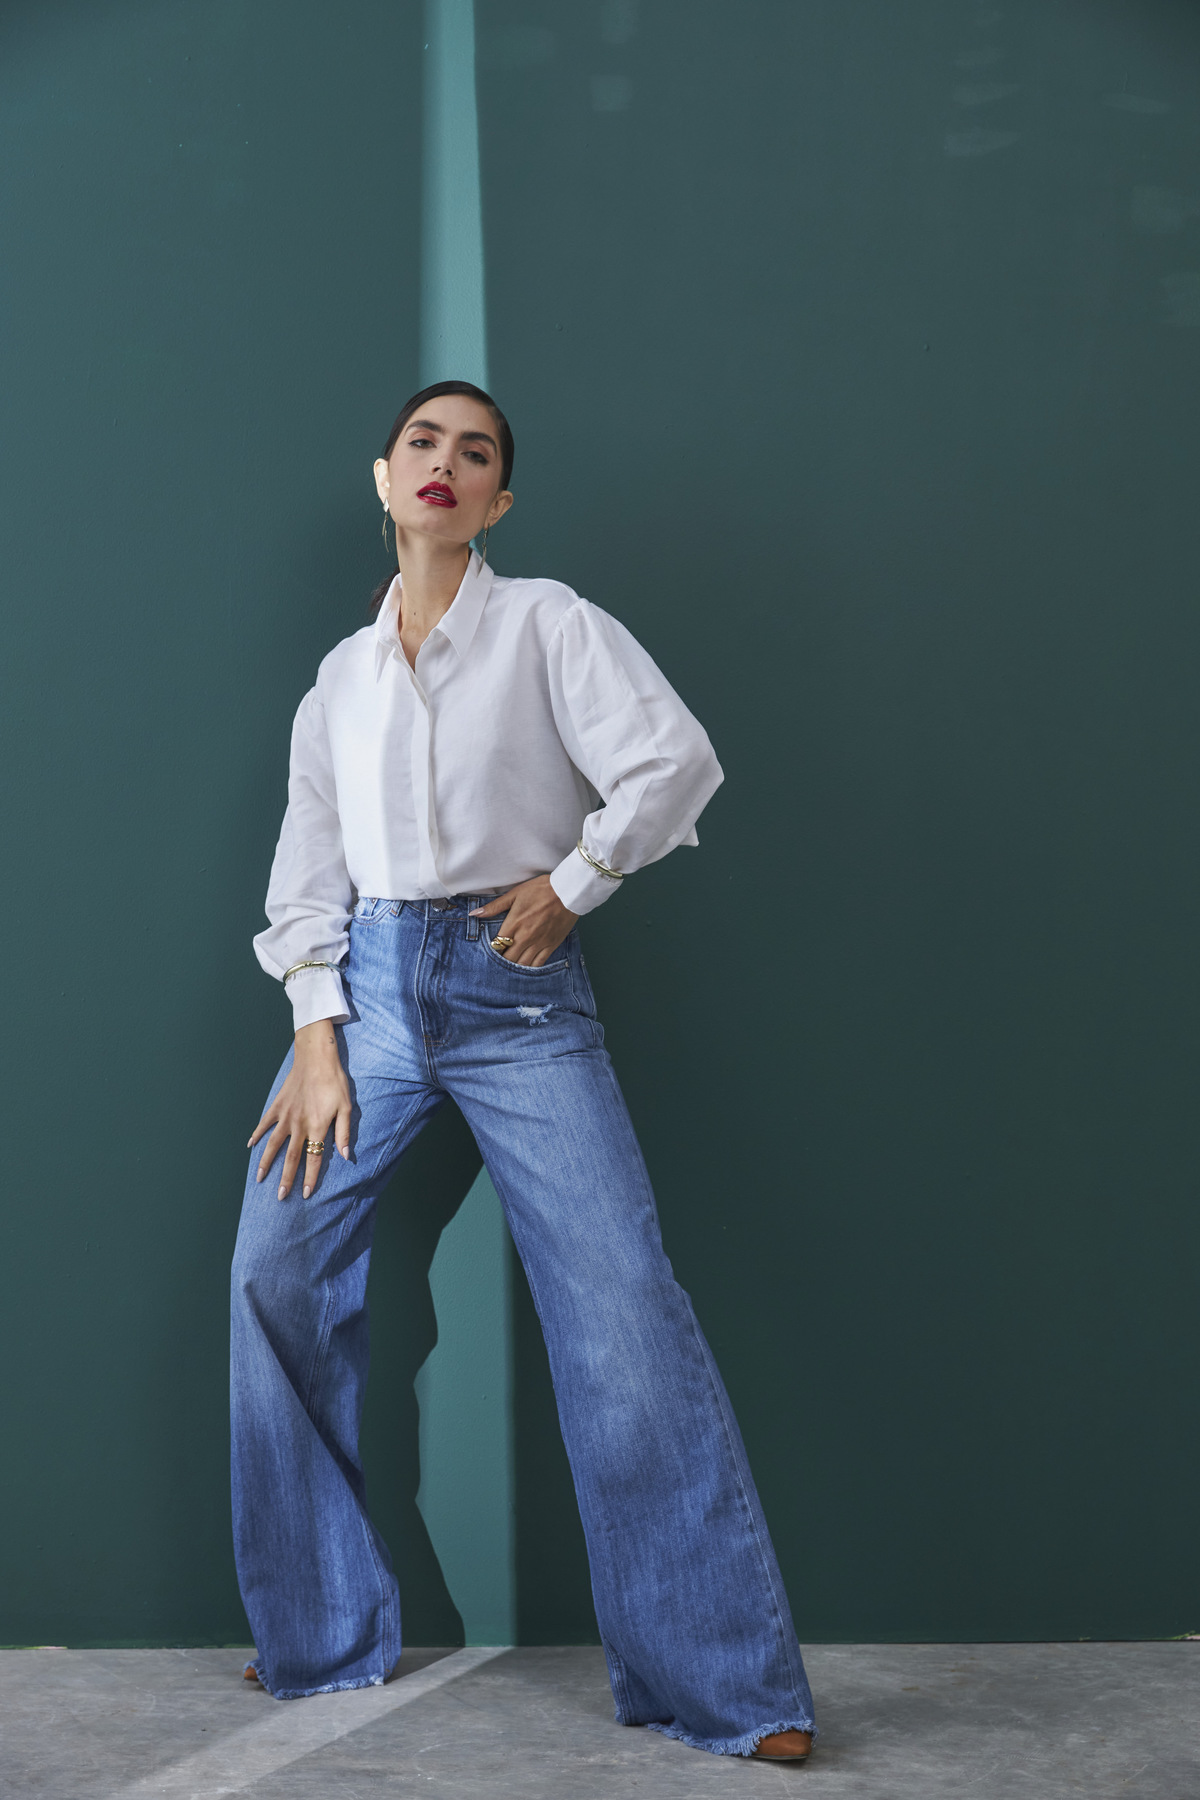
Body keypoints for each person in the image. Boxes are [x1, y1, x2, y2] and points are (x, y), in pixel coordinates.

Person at [230, 380, 816, 1761]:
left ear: (499, 500)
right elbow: (307, 876)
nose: (445, 463)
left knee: (621, 1311)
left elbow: (674, 763)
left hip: (519, 995)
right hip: (367, 1000)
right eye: (422, 444)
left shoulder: (551, 623)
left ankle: (724, 1690)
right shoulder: (339, 680)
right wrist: (315, 1035)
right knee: (275, 1273)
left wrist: (575, 881)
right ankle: (317, 1633)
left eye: (475, 452)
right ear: (385, 479)